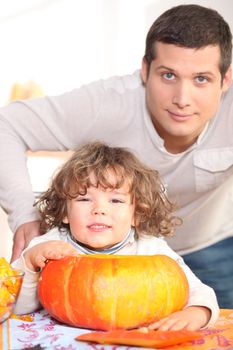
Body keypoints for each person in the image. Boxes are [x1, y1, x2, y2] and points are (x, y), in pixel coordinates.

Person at [0, 4, 232, 307]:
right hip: (101, 255)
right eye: (168, 75)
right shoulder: (106, 104)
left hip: (211, 246)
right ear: (145, 70)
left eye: (201, 79)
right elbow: (7, 125)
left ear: (225, 80)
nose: (182, 99)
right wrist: (24, 215)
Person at [12, 141, 219, 331]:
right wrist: (29, 264)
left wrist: (198, 312)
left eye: (116, 201)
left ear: (136, 214)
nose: (99, 209)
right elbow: (14, 307)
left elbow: (201, 293)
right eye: (84, 199)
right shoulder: (49, 247)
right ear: (65, 212)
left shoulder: (152, 251)